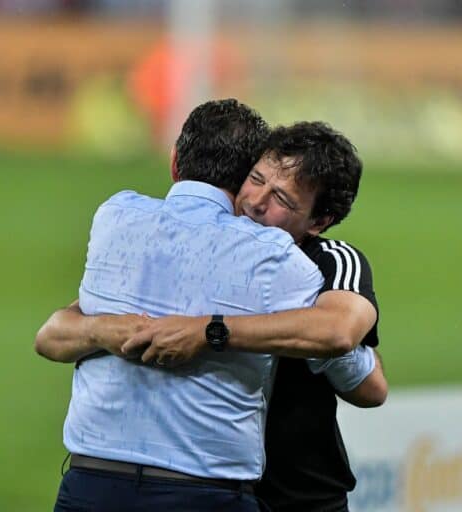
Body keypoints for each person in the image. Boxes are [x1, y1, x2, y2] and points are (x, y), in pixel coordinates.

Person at [39, 100, 379, 512]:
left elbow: (350, 352)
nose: (257, 201)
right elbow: (52, 334)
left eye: (282, 199)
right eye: (256, 179)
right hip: (218, 485)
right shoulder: (223, 249)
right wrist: (100, 329)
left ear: (317, 222)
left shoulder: (319, 262)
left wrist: (209, 331)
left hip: (297, 494)